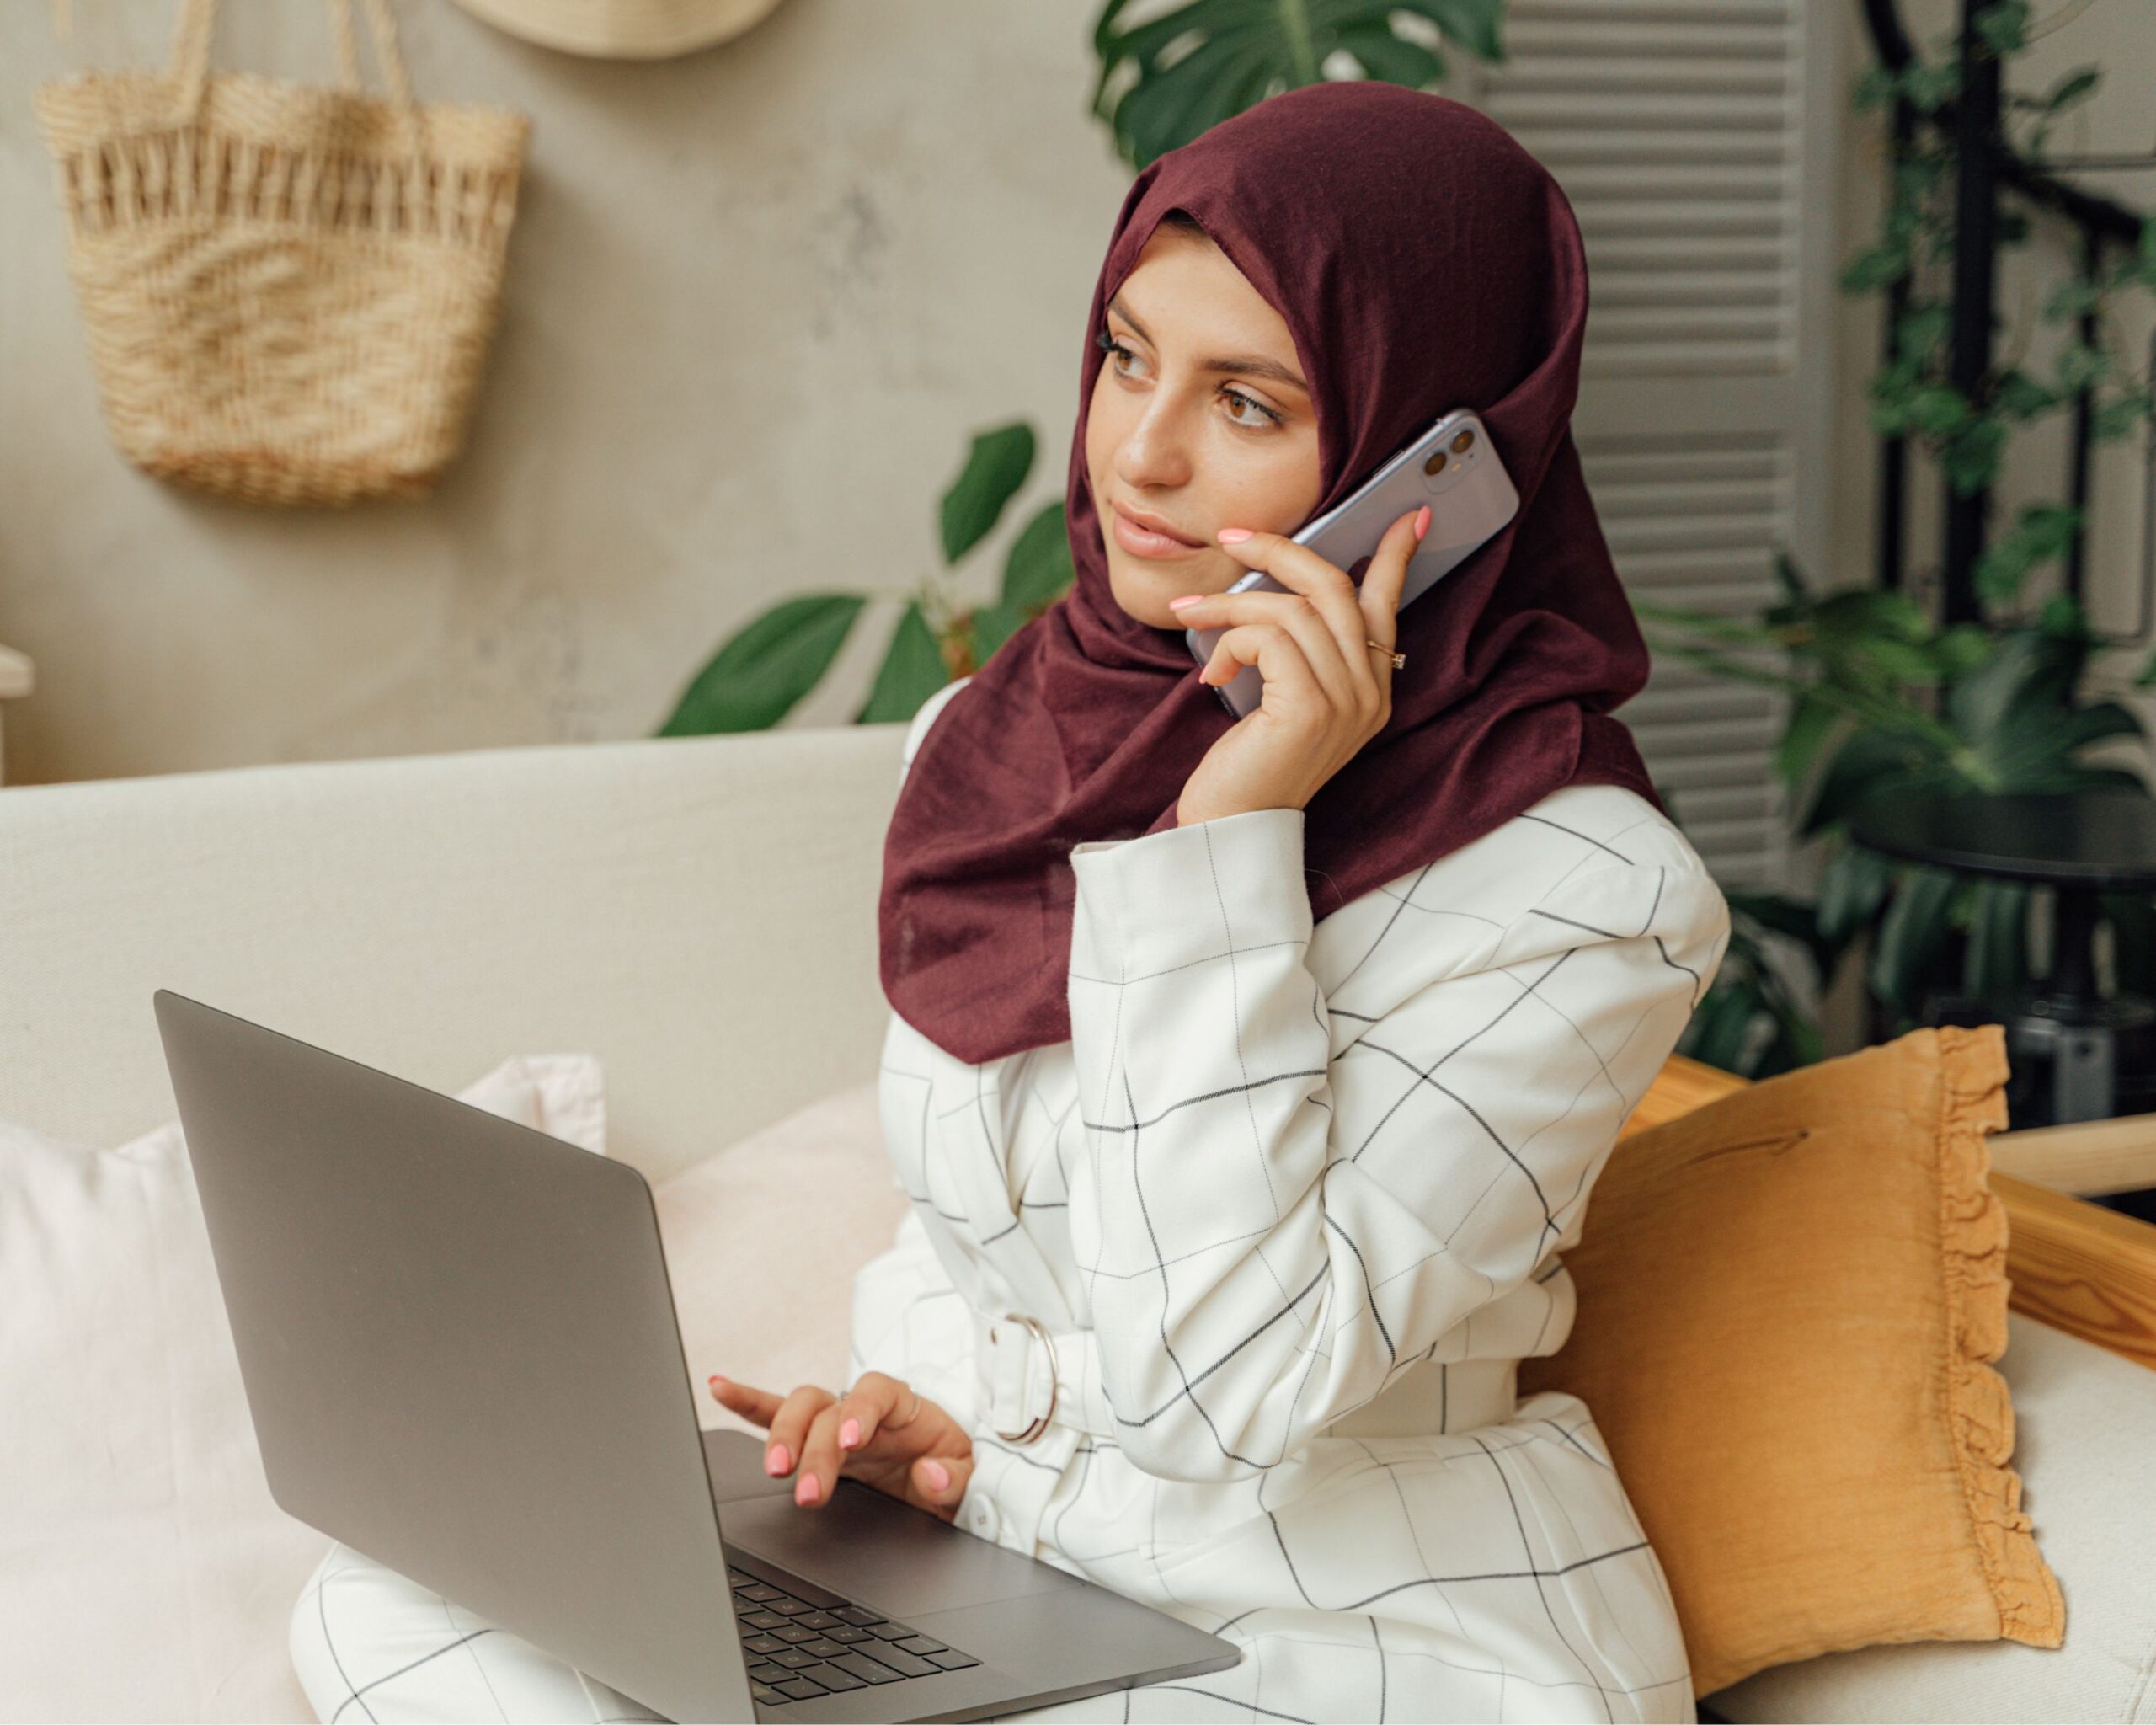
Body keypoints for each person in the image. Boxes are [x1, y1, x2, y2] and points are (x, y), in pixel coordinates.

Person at [292, 82, 1727, 1723]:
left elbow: (1209, 1385)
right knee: (391, 1603)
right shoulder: (1003, 745)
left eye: (1247, 403)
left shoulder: (1586, 894)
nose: (1140, 452)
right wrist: (943, 1411)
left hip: (1341, 1634)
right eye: (1127, 358)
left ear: (1431, 472)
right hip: (1020, 1571)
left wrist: (1225, 835)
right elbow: (976, 1223)